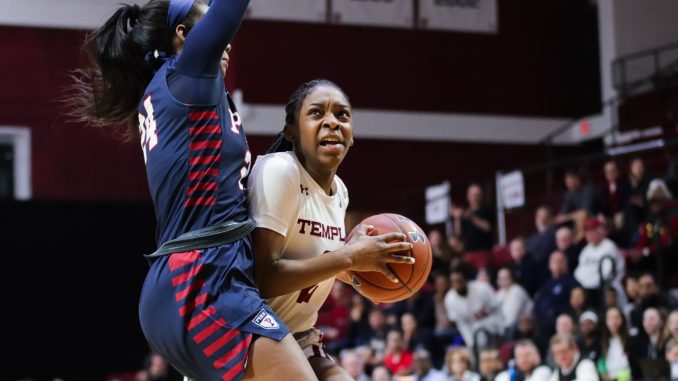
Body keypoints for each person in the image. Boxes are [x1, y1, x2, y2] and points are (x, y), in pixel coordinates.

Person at [70, 0, 320, 379]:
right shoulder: (186, 74)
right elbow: (230, 9)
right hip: (203, 280)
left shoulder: (171, 92)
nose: (228, 44)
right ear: (184, 36)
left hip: (188, 281)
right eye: (208, 29)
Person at [247, 79, 415, 381]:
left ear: (351, 137)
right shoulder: (280, 171)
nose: (332, 122)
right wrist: (348, 258)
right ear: (291, 131)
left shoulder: (341, 192)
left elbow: (312, 252)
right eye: (316, 113)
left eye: (342, 115)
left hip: (299, 334)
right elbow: (263, 279)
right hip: (248, 327)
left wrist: (362, 274)